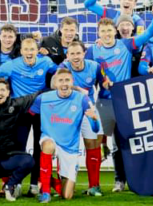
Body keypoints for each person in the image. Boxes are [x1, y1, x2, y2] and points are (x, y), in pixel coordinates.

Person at [88, 7, 153, 192]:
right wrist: (100, 82)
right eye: (102, 31)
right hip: (103, 102)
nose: (106, 34)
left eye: (108, 30)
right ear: (98, 33)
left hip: (125, 101)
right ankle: (100, 182)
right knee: (96, 140)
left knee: (123, 142)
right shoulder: (93, 51)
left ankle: (122, 180)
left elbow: (149, 34)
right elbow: (88, 73)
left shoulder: (127, 45)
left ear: (115, 31)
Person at [0, 37, 57, 194]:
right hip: (20, 112)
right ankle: (15, 184)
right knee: (18, 148)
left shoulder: (46, 62)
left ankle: (35, 185)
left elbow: (60, 71)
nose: (29, 52)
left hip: (40, 110)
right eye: (26, 50)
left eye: (32, 49)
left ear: (37, 51)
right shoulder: (12, 65)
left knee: (39, 147)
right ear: (21, 51)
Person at [30, 68, 100, 203]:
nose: (64, 83)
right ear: (55, 83)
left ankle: (49, 180)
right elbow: (30, 115)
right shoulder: (43, 98)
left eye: (67, 80)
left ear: (72, 81)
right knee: (48, 145)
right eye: (60, 80)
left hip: (70, 147)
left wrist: (94, 120)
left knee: (67, 195)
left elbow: (95, 130)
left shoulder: (82, 99)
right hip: (50, 139)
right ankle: (45, 192)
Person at [58, 41, 107, 196]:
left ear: (84, 53)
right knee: (65, 148)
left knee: (92, 145)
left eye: (78, 53)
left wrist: (107, 84)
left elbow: (103, 82)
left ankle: (94, 186)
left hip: (88, 109)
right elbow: (56, 84)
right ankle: (63, 186)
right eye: (72, 54)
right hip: (68, 111)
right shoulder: (63, 68)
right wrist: (77, 89)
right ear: (67, 55)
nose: (75, 57)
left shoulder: (95, 66)